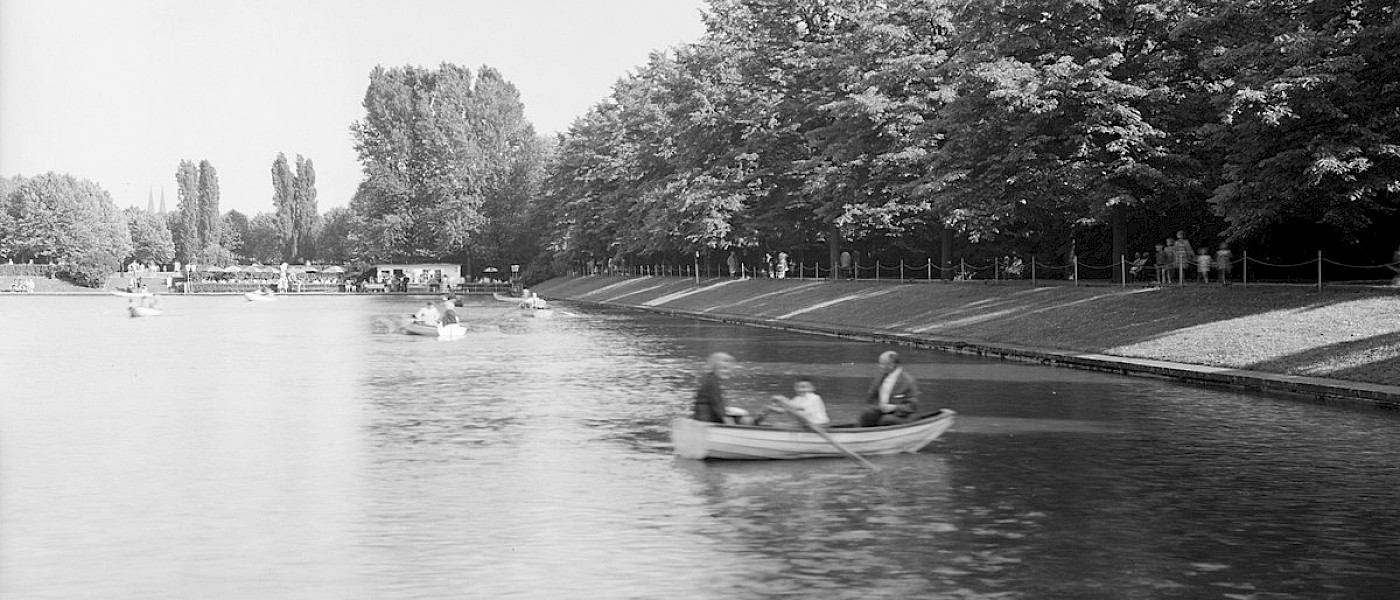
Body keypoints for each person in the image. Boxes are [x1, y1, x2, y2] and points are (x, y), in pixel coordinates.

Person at [859, 351, 920, 427]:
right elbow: (871, 397)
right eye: (880, 364)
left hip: (900, 415)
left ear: (893, 364)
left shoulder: (908, 381)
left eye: (883, 364)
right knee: (866, 413)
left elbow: (913, 406)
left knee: (887, 419)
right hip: (881, 411)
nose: (880, 366)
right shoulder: (881, 376)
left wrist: (893, 407)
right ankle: (857, 434)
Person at [693, 352, 742, 424]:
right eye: (723, 369)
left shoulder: (710, 378)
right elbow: (717, 403)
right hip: (706, 420)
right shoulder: (712, 382)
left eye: (728, 369)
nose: (727, 372)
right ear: (713, 368)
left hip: (704, 417)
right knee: (744, 420)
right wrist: (729, 423)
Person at [762, 377, 830, 428]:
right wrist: (770, 408)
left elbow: (798, 407)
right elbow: (782, 411)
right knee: (778, 424)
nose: (800, 389)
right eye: (797, 387)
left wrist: (781, 399)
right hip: (807, 426)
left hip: (820, 426)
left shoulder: (814, 397)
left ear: (812, 388)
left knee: (782, 425)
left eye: (803, 387)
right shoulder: (797, 399)